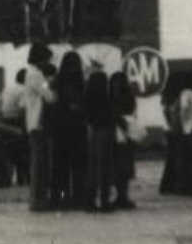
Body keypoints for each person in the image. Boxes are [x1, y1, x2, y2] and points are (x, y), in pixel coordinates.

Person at [50, 51, 89, 210]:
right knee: (78, 165)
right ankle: (78, 197)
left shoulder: (57, 81)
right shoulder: (82, 81)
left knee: (61, 165)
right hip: (77, 127)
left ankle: (60, 197)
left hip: (60, 127)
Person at [20, 44, 56, 211]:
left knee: (39, 163)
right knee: (39, 164)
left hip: (35, 122)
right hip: (38, 122)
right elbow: (49, 97)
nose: (47, 63)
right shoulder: (36, 75)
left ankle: (38, 198)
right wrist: (51, 84)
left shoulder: (31, 74)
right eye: (46, 59)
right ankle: (37, 199)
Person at [83, 64, 115, 213]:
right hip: (105, 131)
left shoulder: (87, 99)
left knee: (92, 167)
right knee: (105, 167)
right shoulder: (106, 100)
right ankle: (104, 200)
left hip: (91, 132)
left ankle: (89, 200)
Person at [0, 67, 30, 189]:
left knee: (8, 150)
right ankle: (22, 179)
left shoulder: (8, 88)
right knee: (22, 150)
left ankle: (6, 178)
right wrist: (25, 124)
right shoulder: (24, 90)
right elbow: (23, 108)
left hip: (5, 120)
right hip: (17, 120)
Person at [109, 69, 137, 210]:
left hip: (115, 134)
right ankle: (122, 196)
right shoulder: (129, 97)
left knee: (117, 166)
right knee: (124, 167)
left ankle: (119, 196)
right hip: (126, 134)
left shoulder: (109, 97)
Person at [158, 71, 185, 196]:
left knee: (171, 158)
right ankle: (176, 184)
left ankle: (167, 184)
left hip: (169, 130)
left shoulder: (166, 97)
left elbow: (165, 113)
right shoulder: (179, 97)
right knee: (178, 158)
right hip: (177, 129)